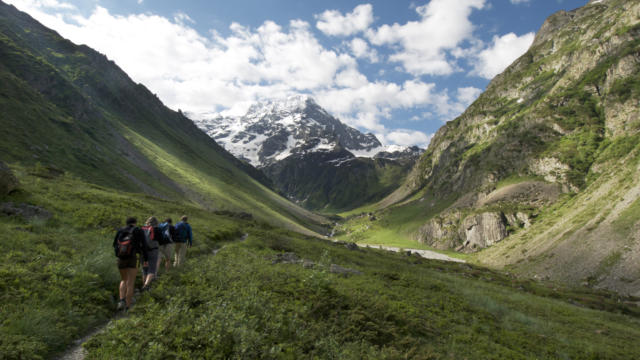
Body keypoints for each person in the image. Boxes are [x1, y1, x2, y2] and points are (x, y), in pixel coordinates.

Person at [113, 217, 148, 311]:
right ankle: (128, 307)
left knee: (123, 280)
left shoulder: (120, 230)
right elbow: (144, 245)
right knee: (130, 282)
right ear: (135, 223)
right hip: (134, 257)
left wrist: (118, 255)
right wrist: (146, 259)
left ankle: (121, 301)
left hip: (121, 257)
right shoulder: (138, 230)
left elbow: (114, 245)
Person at [141, 216, 161, 291]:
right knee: (152, 269)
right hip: (153, 251)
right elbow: (161, 240)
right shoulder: (157, 229)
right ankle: (146, 286)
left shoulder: (142, 229)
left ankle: (144, 285)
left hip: (143, 252)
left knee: (144, 269)